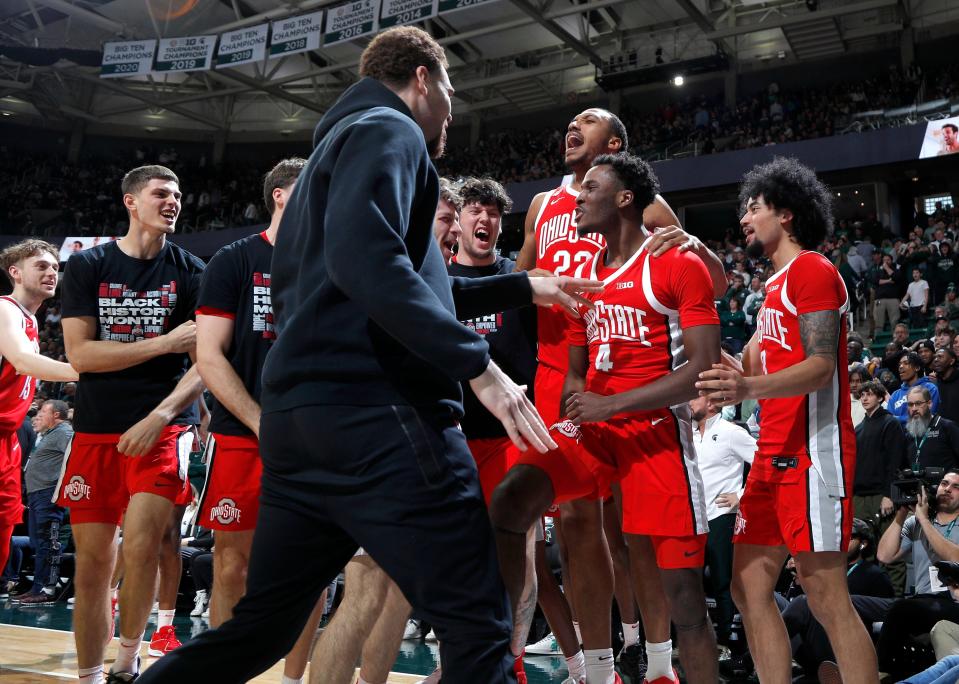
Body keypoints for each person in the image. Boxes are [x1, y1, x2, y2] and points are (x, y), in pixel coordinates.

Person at [137, 26, 599, 684]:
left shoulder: (332, 151)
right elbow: (369, 265)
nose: (450, 107)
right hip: (380, 415)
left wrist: (521, 285)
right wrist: (479, 365)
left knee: (258, 629)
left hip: (302, 422)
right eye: (448, 88)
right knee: (478, 623)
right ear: (420, 77)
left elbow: (386, 284)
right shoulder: (391, 129)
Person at [513, 106, 726, 683]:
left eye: (587, 119)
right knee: (552, 516)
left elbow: (713, 286)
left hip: (640, 402)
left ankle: (654, 659)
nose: (570, 126)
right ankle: (594, 665)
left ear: (613, 144)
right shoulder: (545, 207)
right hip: (569, 374)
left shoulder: (650, 218)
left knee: (636, 540)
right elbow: (518, 281)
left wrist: (698, 245)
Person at [696, 157, 878, 683]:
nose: (744, 218)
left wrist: (746, 386)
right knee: (748, 585)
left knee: (824, 594)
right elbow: (745, 366)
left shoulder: (814, 271)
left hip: (812, 456)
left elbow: (820, 367)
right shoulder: (771, 289)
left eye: (753, 207)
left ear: (788, 214)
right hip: (771, 457)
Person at [56, 165, 206, 684]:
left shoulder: (192, 271)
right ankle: (90, 674)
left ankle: (126, 661)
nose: (174, 201)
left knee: (143, 545)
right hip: (96, 430)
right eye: (162, 193)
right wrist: (165, 343)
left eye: (179, 194)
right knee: (93, 565)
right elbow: (80, 355)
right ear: (130, 202)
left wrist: (162, 414)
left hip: (164, 426)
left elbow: (207, 360)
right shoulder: (87, 266)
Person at [193, 157, 325, 684]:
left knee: (311, 570)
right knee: (231, 566)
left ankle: (293, 680)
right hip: (242, 435)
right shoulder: (234, 259)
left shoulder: (333, 258)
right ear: (280, 195)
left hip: (315, 436)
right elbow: (209, 356)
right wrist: (258, 420)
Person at [0, 240, 78, 599]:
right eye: (41, 266)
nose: (51, 273)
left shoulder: (29, 320)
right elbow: (23, 362)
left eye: (55, 267)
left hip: (9, 440)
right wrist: (88, 370)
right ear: (15, 272)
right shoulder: (5, 309)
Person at [689, 394, 756, 650]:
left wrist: (741, 496)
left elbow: (763, 461)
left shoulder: (732, 433)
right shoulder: (688, 435)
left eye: (695, 398)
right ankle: (698, 641)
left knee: (723, 581)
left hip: (721, 517)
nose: (689, 403)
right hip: (694, 518)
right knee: (690, 583)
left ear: (711, 403)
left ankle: (732, 642)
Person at [877, 471, 959, 676]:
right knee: (855, 604)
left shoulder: (923, 521)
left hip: (952, 601)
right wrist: (902, 513)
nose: (947, 489)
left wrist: (923, 519)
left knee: (901, 609)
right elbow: (884, 556)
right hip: (920, 600)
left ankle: (880, 674)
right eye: (944, 483)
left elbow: (954, 557)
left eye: (956, 487)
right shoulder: (914, 523)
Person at [19, 399, 73, 604]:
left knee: (47, 544)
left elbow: (75, 453)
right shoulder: (50, 434)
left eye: (43, 411)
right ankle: (36, 587)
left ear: (56, 415)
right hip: (37, 494)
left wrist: (60, 484)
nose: (38, 414)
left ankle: (46, 590)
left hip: (48, 496)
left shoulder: (64, 433)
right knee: (37, 543)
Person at [853, 380, 907, 524]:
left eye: (869, 394)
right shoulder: (858, 428)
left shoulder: (890, 423)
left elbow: (895, 461)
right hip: (859, 496)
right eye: (862, 395)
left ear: (880, 398)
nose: (864, 398)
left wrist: (889, 495)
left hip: (881, 495)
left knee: (883, 542)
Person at [904, 386, 959, 471]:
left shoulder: (947, 427)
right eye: (910, 405)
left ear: (929, 404)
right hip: (918, 483)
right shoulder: (909, 435)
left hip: (944, 483)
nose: (914, 408)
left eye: (918, 403)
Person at [890, 352, 941, 425]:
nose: (900, 366)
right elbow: (890, 421)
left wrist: (898, 418)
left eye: (906, 363)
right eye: (899, 364)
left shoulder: (930, 388)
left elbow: (928, 416)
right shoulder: (895, 395)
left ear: (917, 368)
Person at [871, 253, 903, 335]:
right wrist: (889, 281)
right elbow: (875, 281)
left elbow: (896, 277)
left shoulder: (896, 269)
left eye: (888, 260)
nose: (886, 261)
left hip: (893, 298)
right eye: (884, 260)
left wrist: (887, 268)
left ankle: (895, 339)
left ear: (891, 261)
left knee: (895, 321)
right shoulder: (878, 270)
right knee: (878, 320)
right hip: (879, 299)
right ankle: (877, 338)